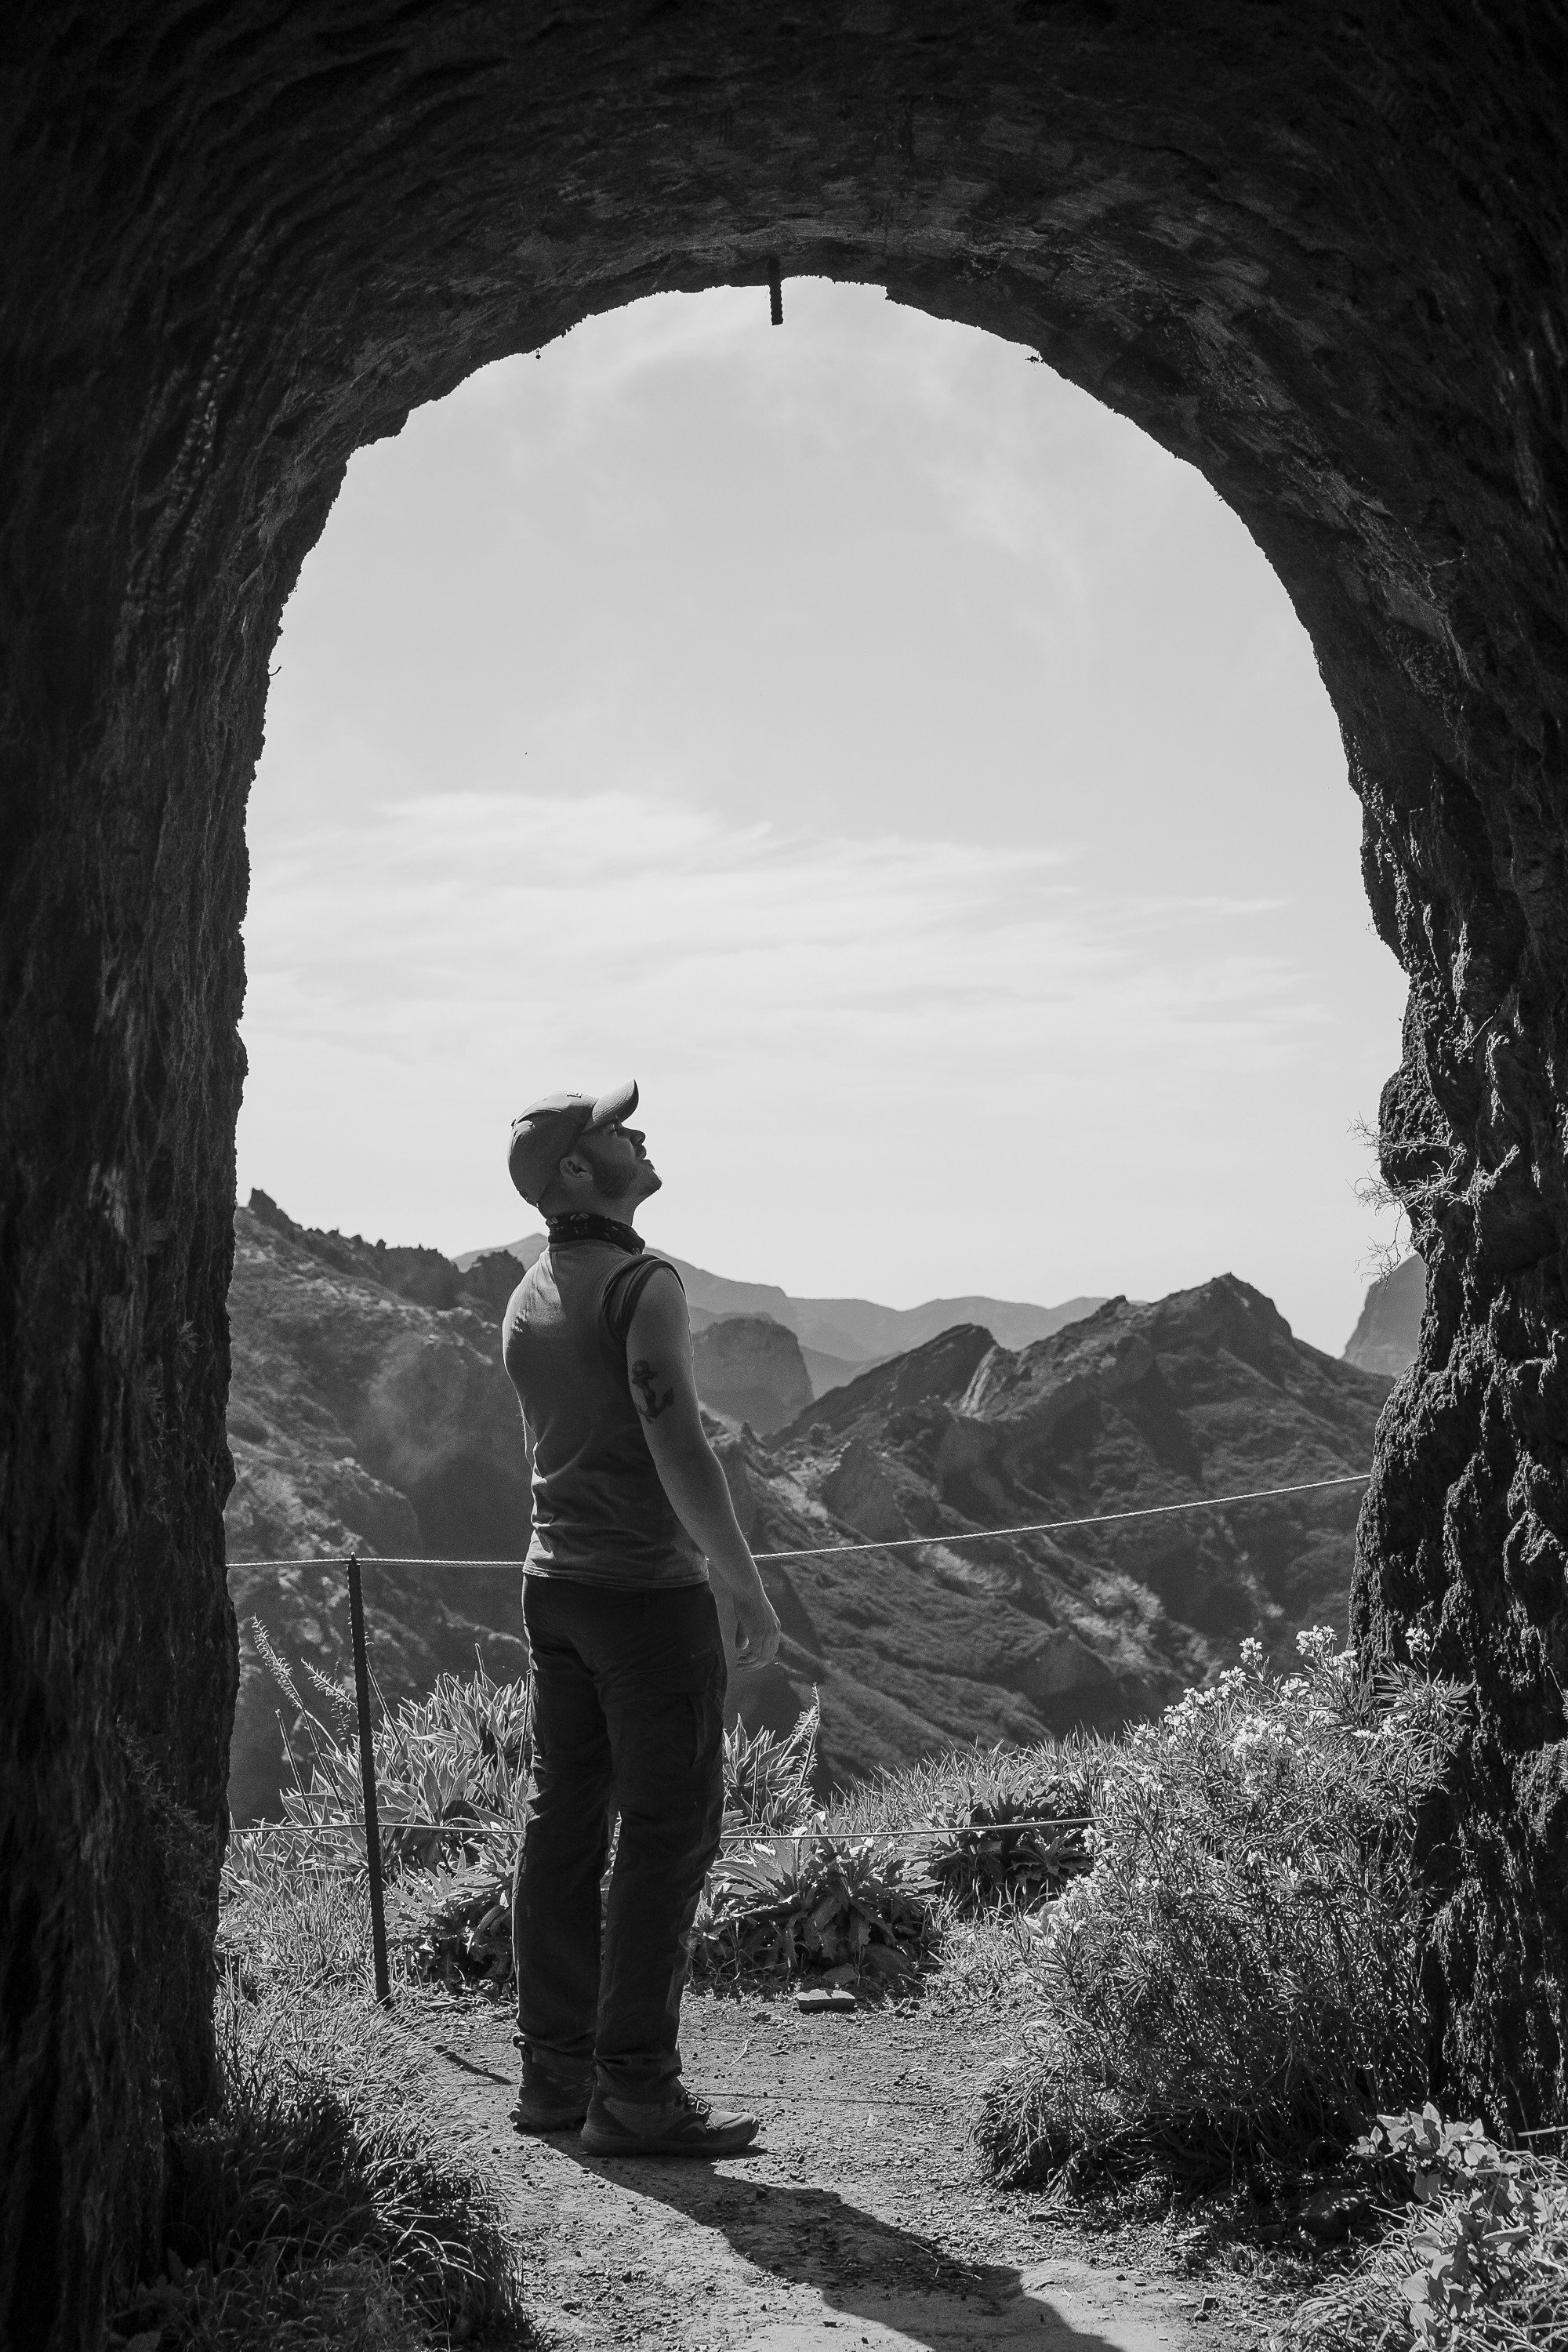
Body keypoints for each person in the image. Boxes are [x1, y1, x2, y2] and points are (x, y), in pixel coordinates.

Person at [501, 1079, 782, 2157]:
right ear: (580, 1170)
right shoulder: (643, 1284)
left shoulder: (531, 1289)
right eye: (618, 1130)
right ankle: (638, 2092)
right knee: (668, 1836)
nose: (641, 1133)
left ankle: (553, 2079)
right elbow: (679, 1443)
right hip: (644, 1600)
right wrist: (740, 1579)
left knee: (562, 1825)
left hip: (553, 1588)